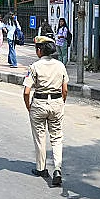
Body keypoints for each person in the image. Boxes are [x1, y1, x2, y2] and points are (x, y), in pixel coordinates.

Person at [24, 35, 68, 187]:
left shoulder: (34, 67)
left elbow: (26, 91)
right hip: (56, 103)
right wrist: (61, 102)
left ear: (39, 50)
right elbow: (65, 90)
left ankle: (41, 168)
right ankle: (57, 168)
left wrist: (28, 106)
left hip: (39, 103)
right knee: (56, 137)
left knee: (40, 137)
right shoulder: (60, 65)